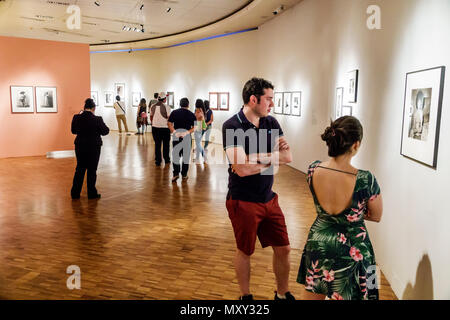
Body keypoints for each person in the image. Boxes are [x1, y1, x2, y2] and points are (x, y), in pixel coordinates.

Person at [222, 77, 294, 300]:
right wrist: (272, 158)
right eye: (268, 99)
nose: (272, 104)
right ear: (253, 99)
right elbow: (242, 170)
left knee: (284, 249)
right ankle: (246, 297)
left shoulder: (271, 123)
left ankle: (281, 294)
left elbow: (288, 157)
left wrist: (256, 158)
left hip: (268, 198)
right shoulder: (231, 126)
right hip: (242, 199)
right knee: (245, 251)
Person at [296, 116, 383, 300]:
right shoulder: (366, 179)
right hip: (353, 246)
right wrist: (355, 212)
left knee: (313, 291)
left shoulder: (313, 170)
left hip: (319, 240)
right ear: (356, 144)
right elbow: (376, 215)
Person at [70, 98, 110, 199]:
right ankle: (91, 193)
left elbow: (73, 131)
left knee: (80, 169)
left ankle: (75, 193)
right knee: (92, 170)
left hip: (80, 146)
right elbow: (105, 131)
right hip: (94, 147)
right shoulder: (97, 119)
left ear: (84, 108)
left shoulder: (76, 117)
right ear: (93, 108)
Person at [168, 97, 196, 182]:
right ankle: (184, 174)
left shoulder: (174, 112)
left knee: (176, 155)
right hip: (186, 137)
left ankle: (176, 174)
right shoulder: (191, 114)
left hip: (176, 136)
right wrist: (187, 132)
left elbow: (169, 123)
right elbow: (196, 127)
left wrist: (174, 132)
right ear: (188, 105)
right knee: (186, 157)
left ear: (180, 104)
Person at [150, 92, 172, 166]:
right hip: (165, 128)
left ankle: (158, 161)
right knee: (166, 145)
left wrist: (154, 123)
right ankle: (166, 159)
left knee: (157, 144)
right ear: (164, 99)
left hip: (155, 128)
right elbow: (169, 118)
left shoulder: (152, 106)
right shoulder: (167, 107)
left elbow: (151, 117)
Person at [194, 99, 207, 164]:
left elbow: (197, 118)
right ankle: (197, 158)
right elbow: (203, 119)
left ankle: (204, 156)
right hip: (200, 127)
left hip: (197, 127)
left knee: (198, 144)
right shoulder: (202, 110)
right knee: (198, 143)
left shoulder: (198, 110)